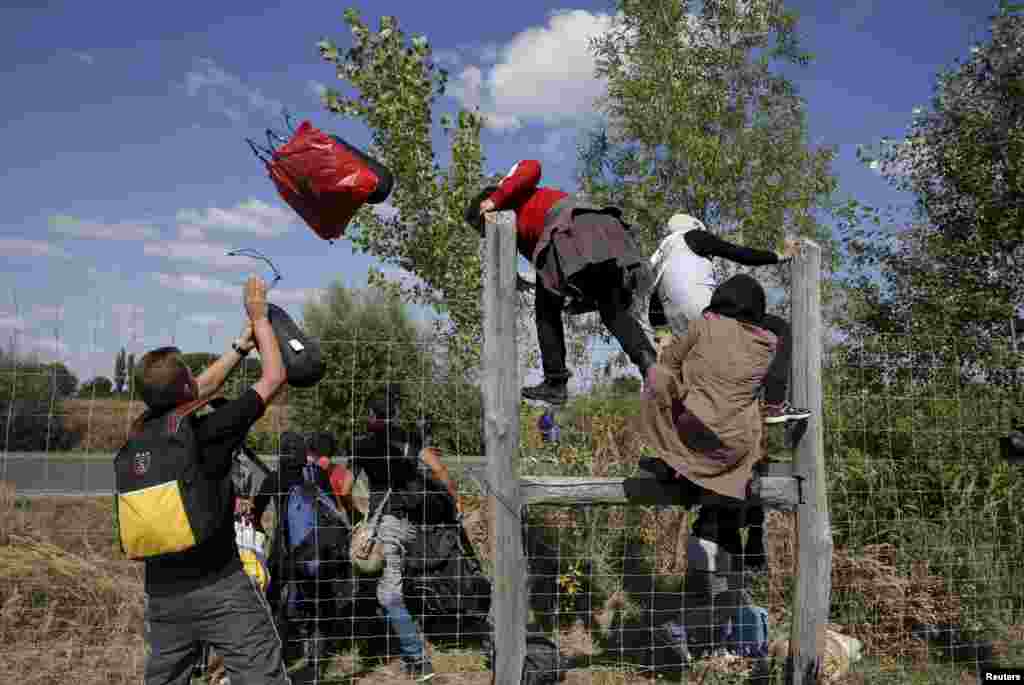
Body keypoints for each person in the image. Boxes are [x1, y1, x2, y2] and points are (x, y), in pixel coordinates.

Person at [131, 275, 291, 685]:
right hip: (220, 586)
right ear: (186, 387)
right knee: (260, 672)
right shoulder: (210, 430)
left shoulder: (141, 430)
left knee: (167, 677)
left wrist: (240, 347)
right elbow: (273, 377)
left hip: (163, 593)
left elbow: (201, 385)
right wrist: (260, 319)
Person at [466, 159, 658, 405]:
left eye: (484, 227)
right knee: (610, 308)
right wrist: (513, 276)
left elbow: (532, 167)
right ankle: (649, 364)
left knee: (546, 311)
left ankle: (555, 382)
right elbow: (530, 255)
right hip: (597, 229)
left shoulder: (511, 192)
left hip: (570, 229)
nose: (487, 233)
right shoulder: (521, 218)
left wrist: (495, 199)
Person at [637, 273, 782, 567]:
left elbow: (667, 365)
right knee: (746, 416)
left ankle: (670, 461)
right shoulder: (769, 341)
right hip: (737, 451)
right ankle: (739, 548)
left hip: (694, 437)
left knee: (658, 377)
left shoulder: (704, 326)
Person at [635, 213, 811, 424]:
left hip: (686, 331)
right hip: (710, 315)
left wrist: (663, 337)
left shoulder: (662, 256)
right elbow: (738, 253)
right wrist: (781, 255)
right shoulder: (694, 236)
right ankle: (774, 403)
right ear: (696, 227)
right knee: (779, 328)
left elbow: (655, 304)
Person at [338, 387, 463, 681]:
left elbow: (343, 489)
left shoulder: (361, 444)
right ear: (394, 415)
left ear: (370, 415)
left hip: (385, 527)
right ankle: (385, 642)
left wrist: (356, 514)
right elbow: (440, 471)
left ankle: (417, 658)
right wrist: (454, 501)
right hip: (411, 524)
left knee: (389, 593)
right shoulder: (407, 440)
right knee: (386, 583)